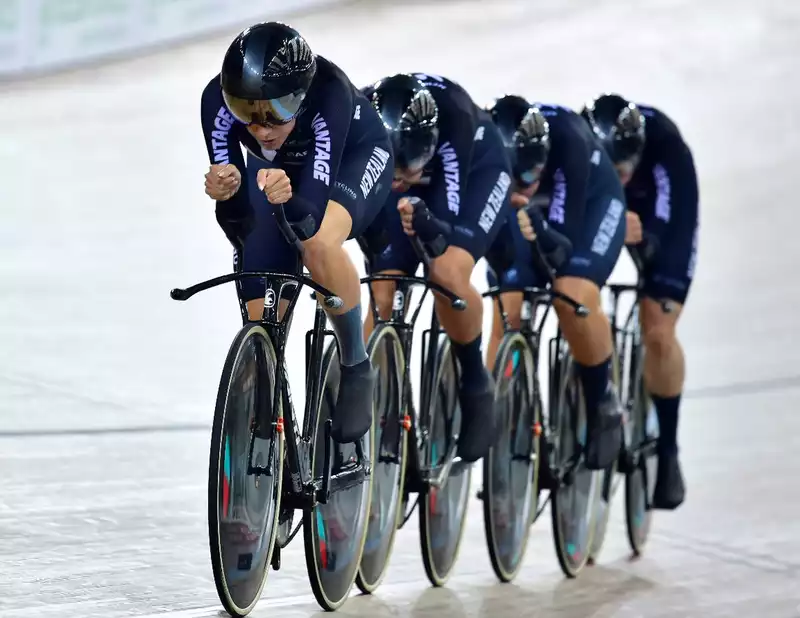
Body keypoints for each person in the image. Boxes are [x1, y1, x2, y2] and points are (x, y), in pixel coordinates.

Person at [200, 22, 394, 444]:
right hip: (279, 174)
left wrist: (287, 199)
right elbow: (237, 222)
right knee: (260, 312)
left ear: (300, 98)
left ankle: (355, 365)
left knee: (318, 244)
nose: (261, 128)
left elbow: (306, 215)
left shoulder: (330, 94)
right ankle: (271, 420)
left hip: (350, 161)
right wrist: (225, 194)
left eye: (274, 113)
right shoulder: (214, 102)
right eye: (246, 113)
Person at [359, 73, 513, 463]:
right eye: (389, 173)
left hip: (476, 169)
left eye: (403, 171)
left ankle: (475, 383)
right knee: (382, 289)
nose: (397, 181)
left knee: (446, 272)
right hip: (404, 170)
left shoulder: (455, 120)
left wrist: (427, 225)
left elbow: (443, 231)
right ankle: (387, 404)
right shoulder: (360, 115)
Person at [484, 95, 627, 471]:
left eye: (529, 177)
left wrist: (541, 228)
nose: (523, 186)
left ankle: (603, 401)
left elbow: (560, 251)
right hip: (533, 213)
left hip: (591, 202)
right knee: (506, 305)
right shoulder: (489, 155)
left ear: (542, 160)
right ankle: (498, 414)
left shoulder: (569, 143)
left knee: (570, 293)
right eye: (515, 180)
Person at [581, 93, 698, 509]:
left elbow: (669, 219)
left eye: (624, 167)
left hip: (659, 211)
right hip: (601, 203)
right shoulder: (582, 144)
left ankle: (668, 449)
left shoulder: (664, 146)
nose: (619, 174)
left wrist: (648, 235)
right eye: (612, 167)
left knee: (658, 328)